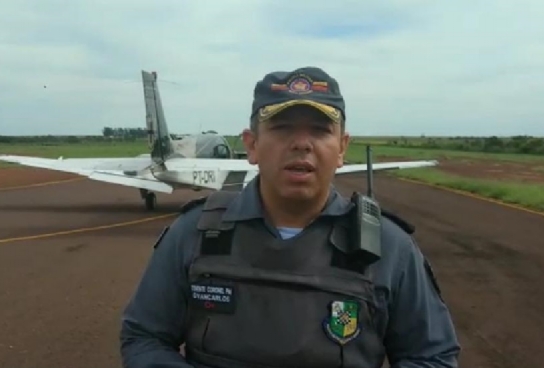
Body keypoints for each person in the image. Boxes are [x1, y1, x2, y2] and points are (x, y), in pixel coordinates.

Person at [119, 66, 461, 368]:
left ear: (342, 147)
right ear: (252, 145)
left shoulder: (391, 247)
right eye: (282, 128)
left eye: (319, 130)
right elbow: (144, 337)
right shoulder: (193, 233)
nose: (302, 143)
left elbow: (432, 356)